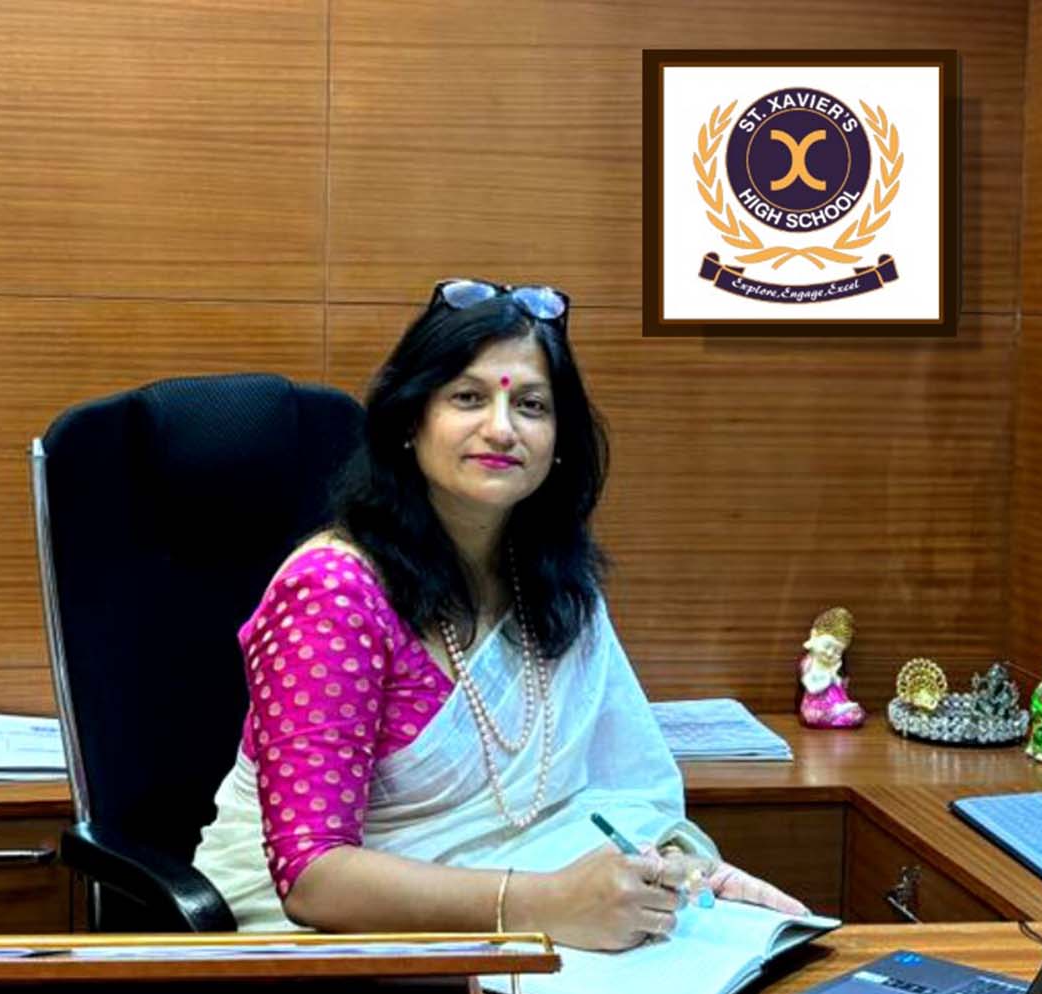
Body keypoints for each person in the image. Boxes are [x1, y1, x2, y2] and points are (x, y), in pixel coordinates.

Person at [191, 278, 810, 949]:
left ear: (560, 439)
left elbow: (616, 792)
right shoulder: (335, 592)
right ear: (408, 422)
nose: (500, 428)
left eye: (532, 405)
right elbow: (312, 877)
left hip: (533, 916)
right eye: (467, 397)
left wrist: (667, 872)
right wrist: (544, 903)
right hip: (328, 940)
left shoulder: (551, 582)